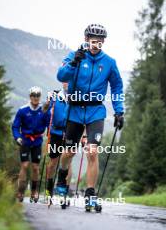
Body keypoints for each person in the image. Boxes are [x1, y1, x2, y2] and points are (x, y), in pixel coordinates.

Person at [56, 24, 124, 207]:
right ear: (86, 39)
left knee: (92, 151)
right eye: (94, 41)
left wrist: (119, 111)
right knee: (69, 152)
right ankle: (62, 178)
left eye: (100, 42)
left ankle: (90, 194)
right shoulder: (75, 55)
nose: (96, 44)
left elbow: (117, 87)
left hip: (95, 111)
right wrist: (73, 63)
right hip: (75, 110)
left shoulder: (109, 62)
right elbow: (60, 75)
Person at [12, 86, 50, 202]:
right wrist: (17, 137)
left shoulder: (43, 110)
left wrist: (50, 137)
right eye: (33, 95)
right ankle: (20, 192)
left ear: (40, 97)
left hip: (37, 141)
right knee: (24, 165)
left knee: (35, 167)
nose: (35, 97)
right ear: (30, 96)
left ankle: (34, 191)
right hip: (25, 140)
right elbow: (15, 126)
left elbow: (49, 124)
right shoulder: (22, 110)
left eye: (38, 95)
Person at [43, 83, 72, 198]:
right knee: (53, 162)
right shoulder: (55, 95)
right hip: (56, 133)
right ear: (62, 82)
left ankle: (65, 190)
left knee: (68, 162)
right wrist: (47, 101)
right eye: (65, 81)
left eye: (69, 81)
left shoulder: (76, 96)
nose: (67, 83)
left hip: (70, 132)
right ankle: (49, 189)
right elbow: (44, 110)